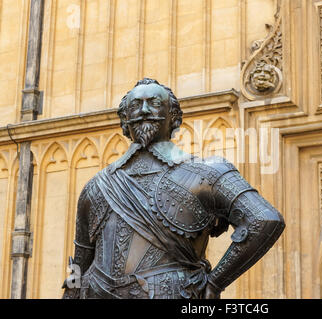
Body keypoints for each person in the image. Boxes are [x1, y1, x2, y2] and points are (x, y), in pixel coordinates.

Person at [62, 78, 285, 299]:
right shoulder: (96, 186)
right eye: (135, 105)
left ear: (174, 118)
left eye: (155, 103)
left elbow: (264, 219)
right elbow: (79, 264)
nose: (145, 110)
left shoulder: (207, 172)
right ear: (124, 119)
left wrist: (217, 281)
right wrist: (70, 293)